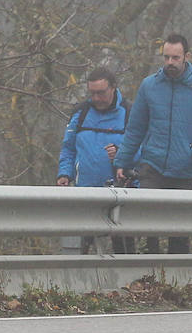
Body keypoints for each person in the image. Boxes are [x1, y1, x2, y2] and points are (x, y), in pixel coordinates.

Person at [114, 33, 192, 254]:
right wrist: (122, 162)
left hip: (186, 171)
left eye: (175, 58)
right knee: (148, 228)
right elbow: (135, 128)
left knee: (179, 235)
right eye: (166, 58)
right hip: (152, 166)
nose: (170, 63)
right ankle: (147, 280)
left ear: (187, 57)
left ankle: (178, 281)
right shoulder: (149, 86)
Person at [57, 67, 135, 254]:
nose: (96, 98)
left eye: (101, 93)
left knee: (123, 250)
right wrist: (64, 173)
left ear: (114, 88)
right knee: (80, 250)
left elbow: (142, 151)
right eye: (92, 93)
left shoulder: (130, 113)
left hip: (120, 194)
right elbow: (68, 148)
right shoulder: (80, 113)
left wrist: (121, 155)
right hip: (85, 193)